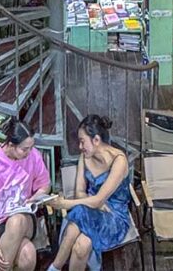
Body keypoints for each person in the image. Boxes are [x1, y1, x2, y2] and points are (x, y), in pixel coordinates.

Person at [47, 115, 131, 271]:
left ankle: (54, 267)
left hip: (114, 217)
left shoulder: (119, 160)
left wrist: (66, 204)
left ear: (96, 140)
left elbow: (98, 200)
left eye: (82, 141)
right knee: (81, 245)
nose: (80, 146)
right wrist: (96, 204)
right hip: (91, 211)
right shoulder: (84, 158)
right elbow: (80, 192)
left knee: (79, 210)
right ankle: (55, 268)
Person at [0, 119, 50, 271]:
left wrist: (35, 197)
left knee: (17, 221)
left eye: (31, 148)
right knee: (28, 255)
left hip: (24, 217)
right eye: (24, 149)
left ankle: (0, 269)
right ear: (10, 145)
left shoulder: (33, 156)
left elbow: (45, 185)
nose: (29, 153)